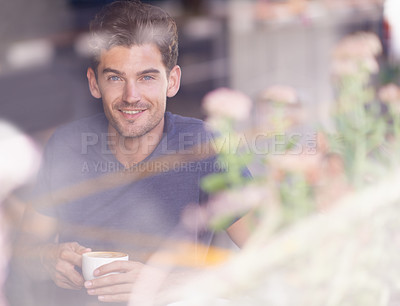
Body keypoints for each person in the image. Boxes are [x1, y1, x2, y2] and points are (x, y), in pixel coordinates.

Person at [14, 1, 252, 305]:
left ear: (173, 81)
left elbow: (272, 258)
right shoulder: (66, 145)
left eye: (147, 77)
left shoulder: (207, 147)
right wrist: (47, 257)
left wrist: (165, 282)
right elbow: (24, 251)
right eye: (115, 77)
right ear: (94, 83)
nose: (131, 96)